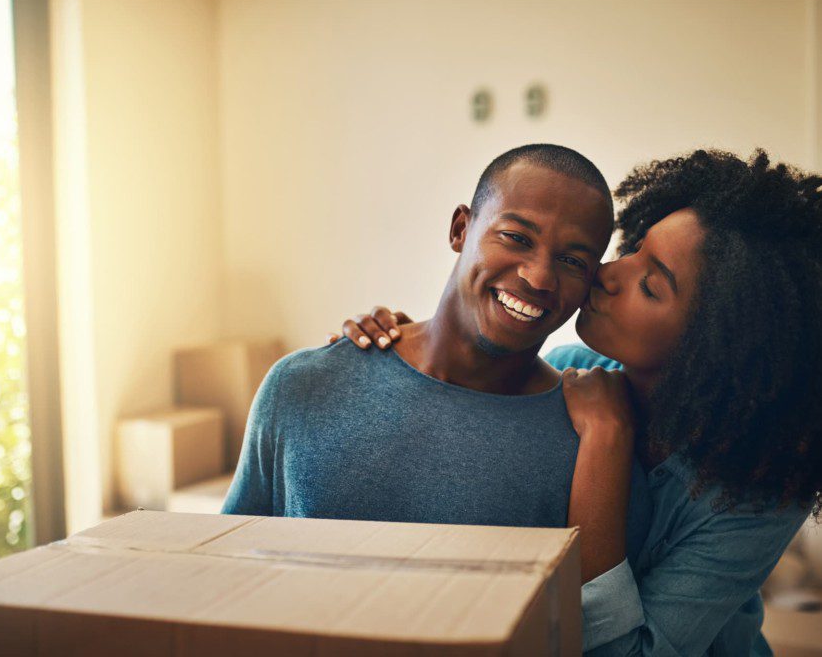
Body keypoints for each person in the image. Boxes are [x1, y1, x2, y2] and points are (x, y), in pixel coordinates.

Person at [337, 148, 822, 655]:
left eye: (650, 285)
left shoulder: (758, 492)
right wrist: (386, 353)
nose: (607, 274)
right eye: (632, 249)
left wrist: (607, 440)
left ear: (715, 346)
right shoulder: (568, 370)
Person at [222, 144, 652, 561]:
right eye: (516, 237)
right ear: (460, 230)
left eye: (573, 261)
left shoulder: (595, 446)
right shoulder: (301, 386)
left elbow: (591, 623)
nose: (539, 277)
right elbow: (227, 570)